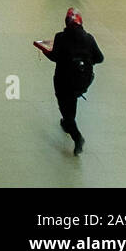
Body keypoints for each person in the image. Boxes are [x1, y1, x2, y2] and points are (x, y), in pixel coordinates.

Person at [39, 8, 104, 155]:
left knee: (64, 107)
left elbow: (54, 57)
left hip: (63, 81)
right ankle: (68, 122)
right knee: (72, 100)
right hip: (82, 81)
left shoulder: (61, 37)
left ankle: (77, 136)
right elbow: (100, 58)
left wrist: (44, 50)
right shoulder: (89, 38)